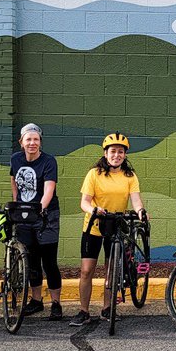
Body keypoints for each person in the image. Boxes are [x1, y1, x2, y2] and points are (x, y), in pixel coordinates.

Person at [71, 133, 146, 327]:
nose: (116, 155)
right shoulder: (94, 174)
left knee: (111, 271)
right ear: (105, 153)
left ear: (125, 155)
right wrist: (94, 210)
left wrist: (141, 212)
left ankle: (107, 308)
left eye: (120, 152)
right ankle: (84, 311)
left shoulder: (130, 176)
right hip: (94, 226)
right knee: (87, 271)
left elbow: (136, 200)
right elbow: (84, 202)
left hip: (116, 226)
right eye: (112, 151)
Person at [10, 123, 63, 321]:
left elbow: (49, 189)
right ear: (21, 142)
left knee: (49, 262)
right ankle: (37, 300)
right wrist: (16, 205)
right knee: (31, 261)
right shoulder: (16, 159)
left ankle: (56, 303)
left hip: (46, 216)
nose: (32, 143)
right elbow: (14, 182)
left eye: (36, 139)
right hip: (24, 216)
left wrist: (40, 208)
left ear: (40, 142)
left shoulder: (49, 161)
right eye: (28, 139)